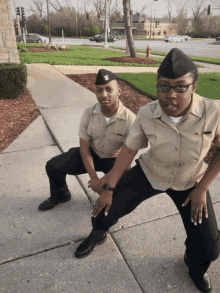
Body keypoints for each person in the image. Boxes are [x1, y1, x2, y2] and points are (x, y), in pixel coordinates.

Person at [75, 48, 220, 293]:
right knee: (104, 209)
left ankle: (193, 264)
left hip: (190, 181)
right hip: (150, 172)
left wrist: (202, 188)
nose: (170, 95)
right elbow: (129, 151)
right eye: (163, 86)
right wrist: (109, 188)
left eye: (180, 87)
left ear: (194, 86)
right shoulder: (146, 114)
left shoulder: (213, 111)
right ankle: (98, 234)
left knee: (209, 249)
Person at [38, 69, 136, 211]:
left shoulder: (130, 120)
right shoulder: (89, 113)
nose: (103, 95)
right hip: (92, 154)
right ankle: (61, 195)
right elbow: (84, 148)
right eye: (99, 90)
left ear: (119, 91)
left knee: (117, 195)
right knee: (53, 166)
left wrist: (103, 182)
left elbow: (126, 158)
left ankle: (107, 215)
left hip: (116, 160)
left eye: (109, 90)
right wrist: (94, 178)